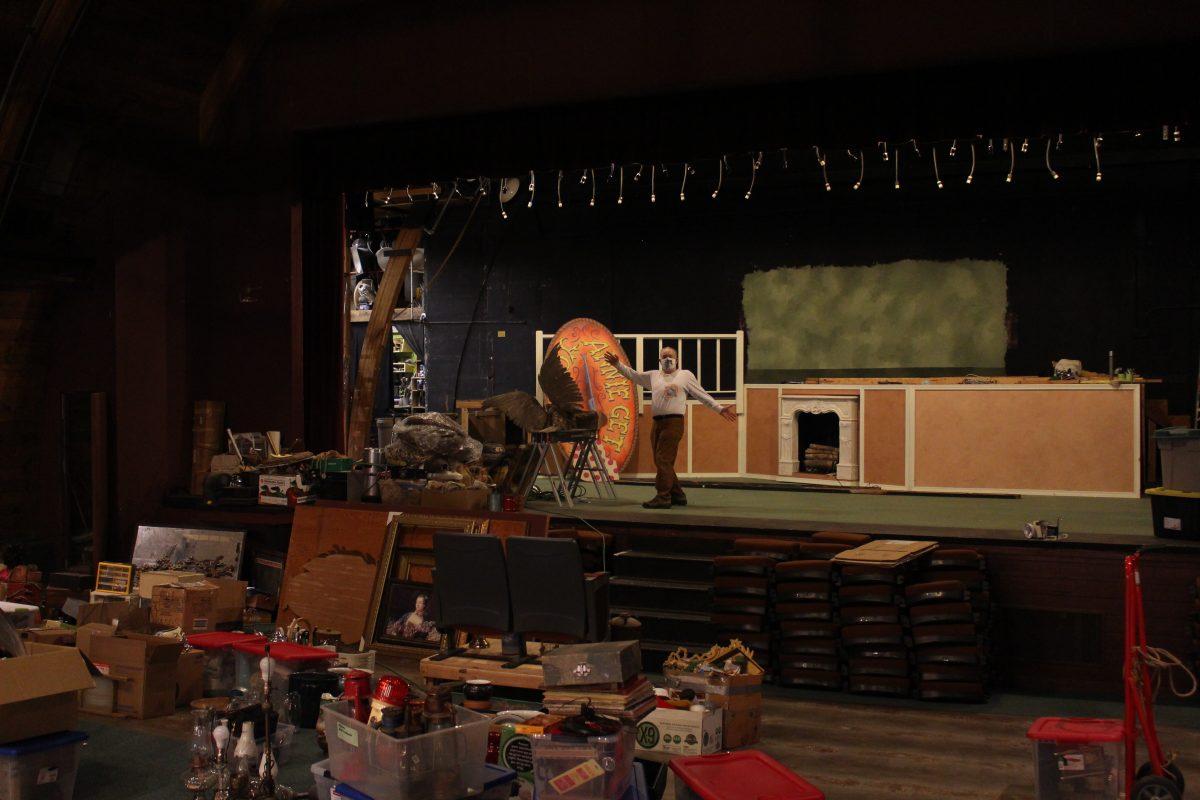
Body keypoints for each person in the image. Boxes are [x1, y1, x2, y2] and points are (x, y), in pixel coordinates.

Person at [604, 347, 736, 508]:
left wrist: (719, 408)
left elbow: (701, 394)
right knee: (661, 461)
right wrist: (617, 364)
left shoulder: (685, 376)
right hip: (657, 423)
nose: (667, 358)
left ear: (677, 359)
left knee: (663, 459)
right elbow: (634, 375)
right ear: (659, 360)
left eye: (670, 356)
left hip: (674, 422)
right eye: (664, 356)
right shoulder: (654, 376)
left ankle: (663, 497)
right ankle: (678, 495)